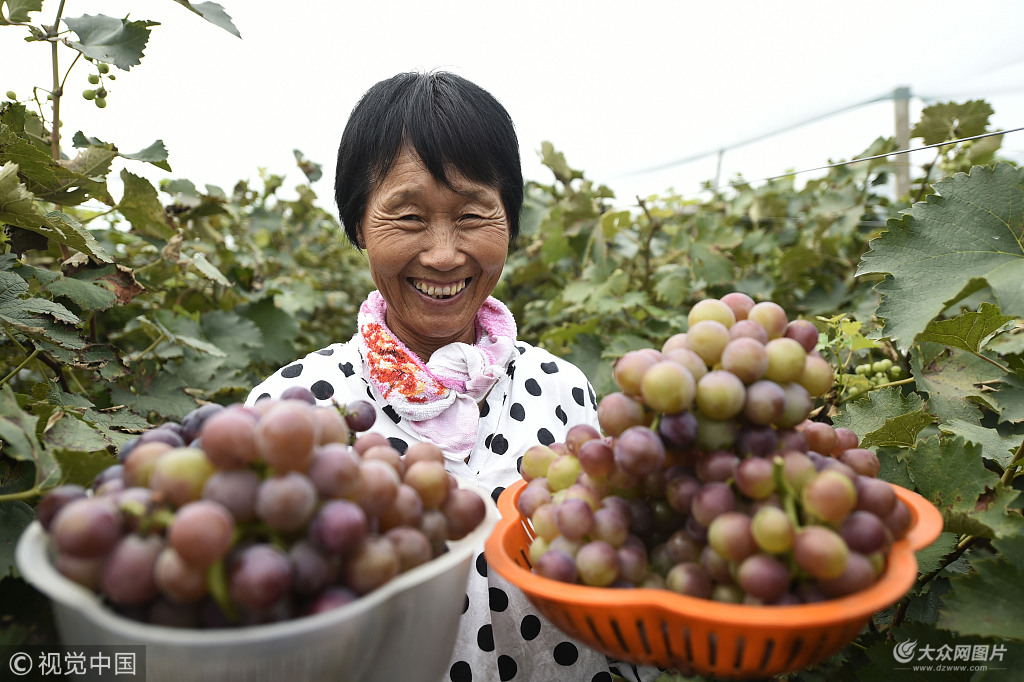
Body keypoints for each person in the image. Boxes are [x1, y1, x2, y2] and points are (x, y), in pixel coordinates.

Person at [247, 70, 658, 682]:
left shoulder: (562, 389)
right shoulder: (293, 409)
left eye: (472, 216)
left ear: (509, 224)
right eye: (407, 217)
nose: (443, 254)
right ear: (358, 224)